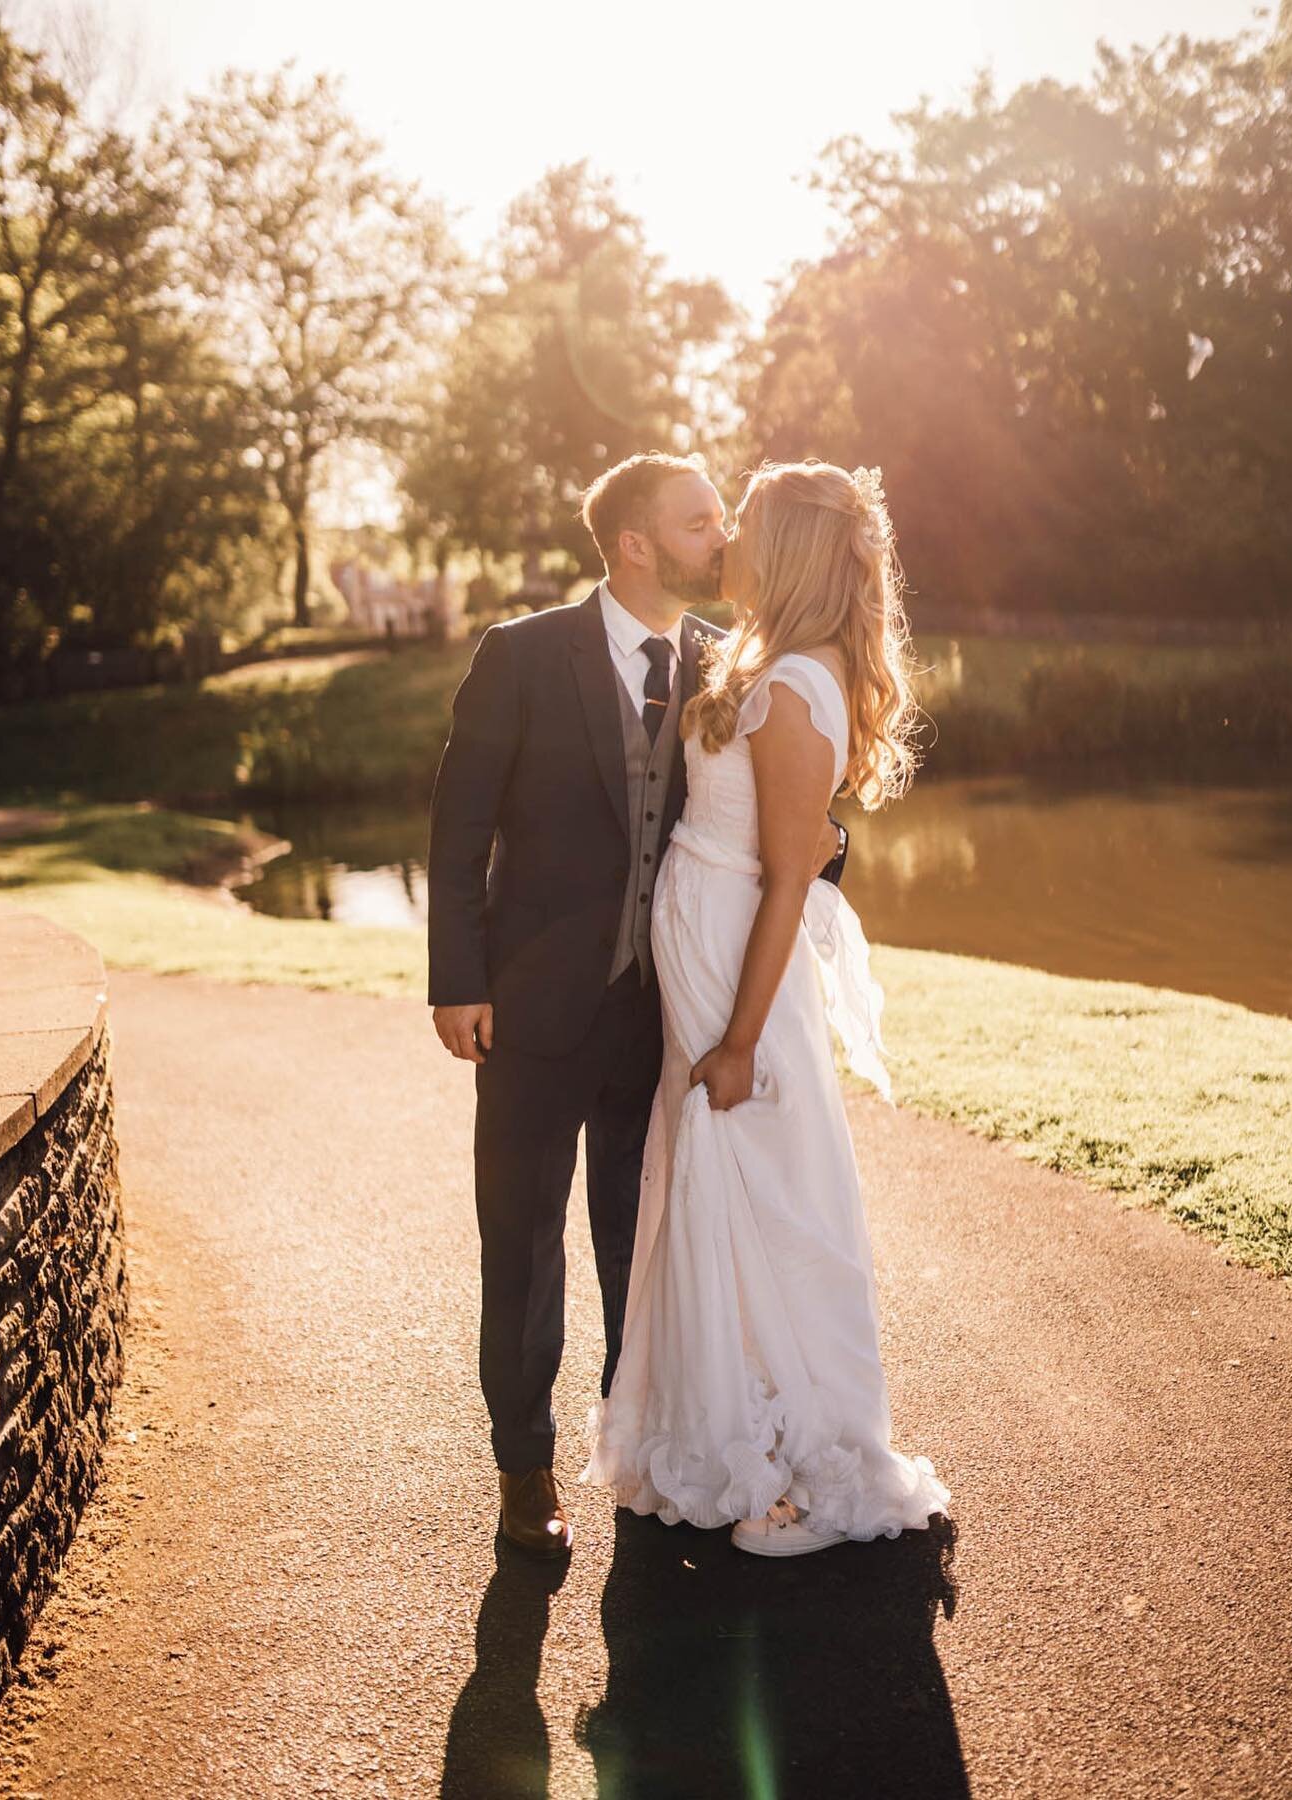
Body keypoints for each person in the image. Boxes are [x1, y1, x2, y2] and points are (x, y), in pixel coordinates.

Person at [427, 453, 847, 1558]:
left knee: (645, 1239)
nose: (722, 539)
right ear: (635, 544)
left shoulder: (729, 663)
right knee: (519, 1243)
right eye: (701, 522)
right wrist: (456, 980)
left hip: (662, 1013)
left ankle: (640, 1444)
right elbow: (460, 827)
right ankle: (524, 1472)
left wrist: (825, 853)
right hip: (525, 1010)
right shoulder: (519, 657)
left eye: (722, 519)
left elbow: (774, 827)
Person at [580, 459, 951, 1555]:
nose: (728, 534)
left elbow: (791, 872)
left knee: (765, 1191)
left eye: (742, 520)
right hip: (704, 943)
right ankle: (731, 1439)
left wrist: (741, 1040)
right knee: (715, 1187)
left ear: (783, 546)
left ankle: (802, 1478)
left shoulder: (795, 685)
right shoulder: (768, 659)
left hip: (742, 964)